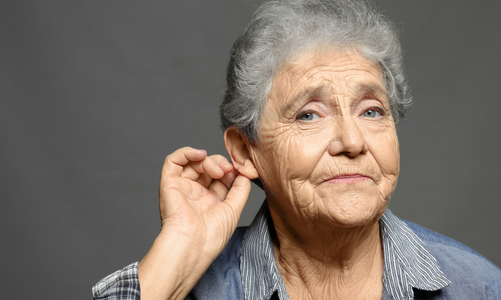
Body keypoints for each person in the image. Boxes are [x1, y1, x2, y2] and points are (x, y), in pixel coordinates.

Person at [92, 0, 501, 299]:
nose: (353, 142)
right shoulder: (192, 289)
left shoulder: (478, 287)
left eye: (372, 111)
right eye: (308, 115)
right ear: (246, 151)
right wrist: (176, 257)